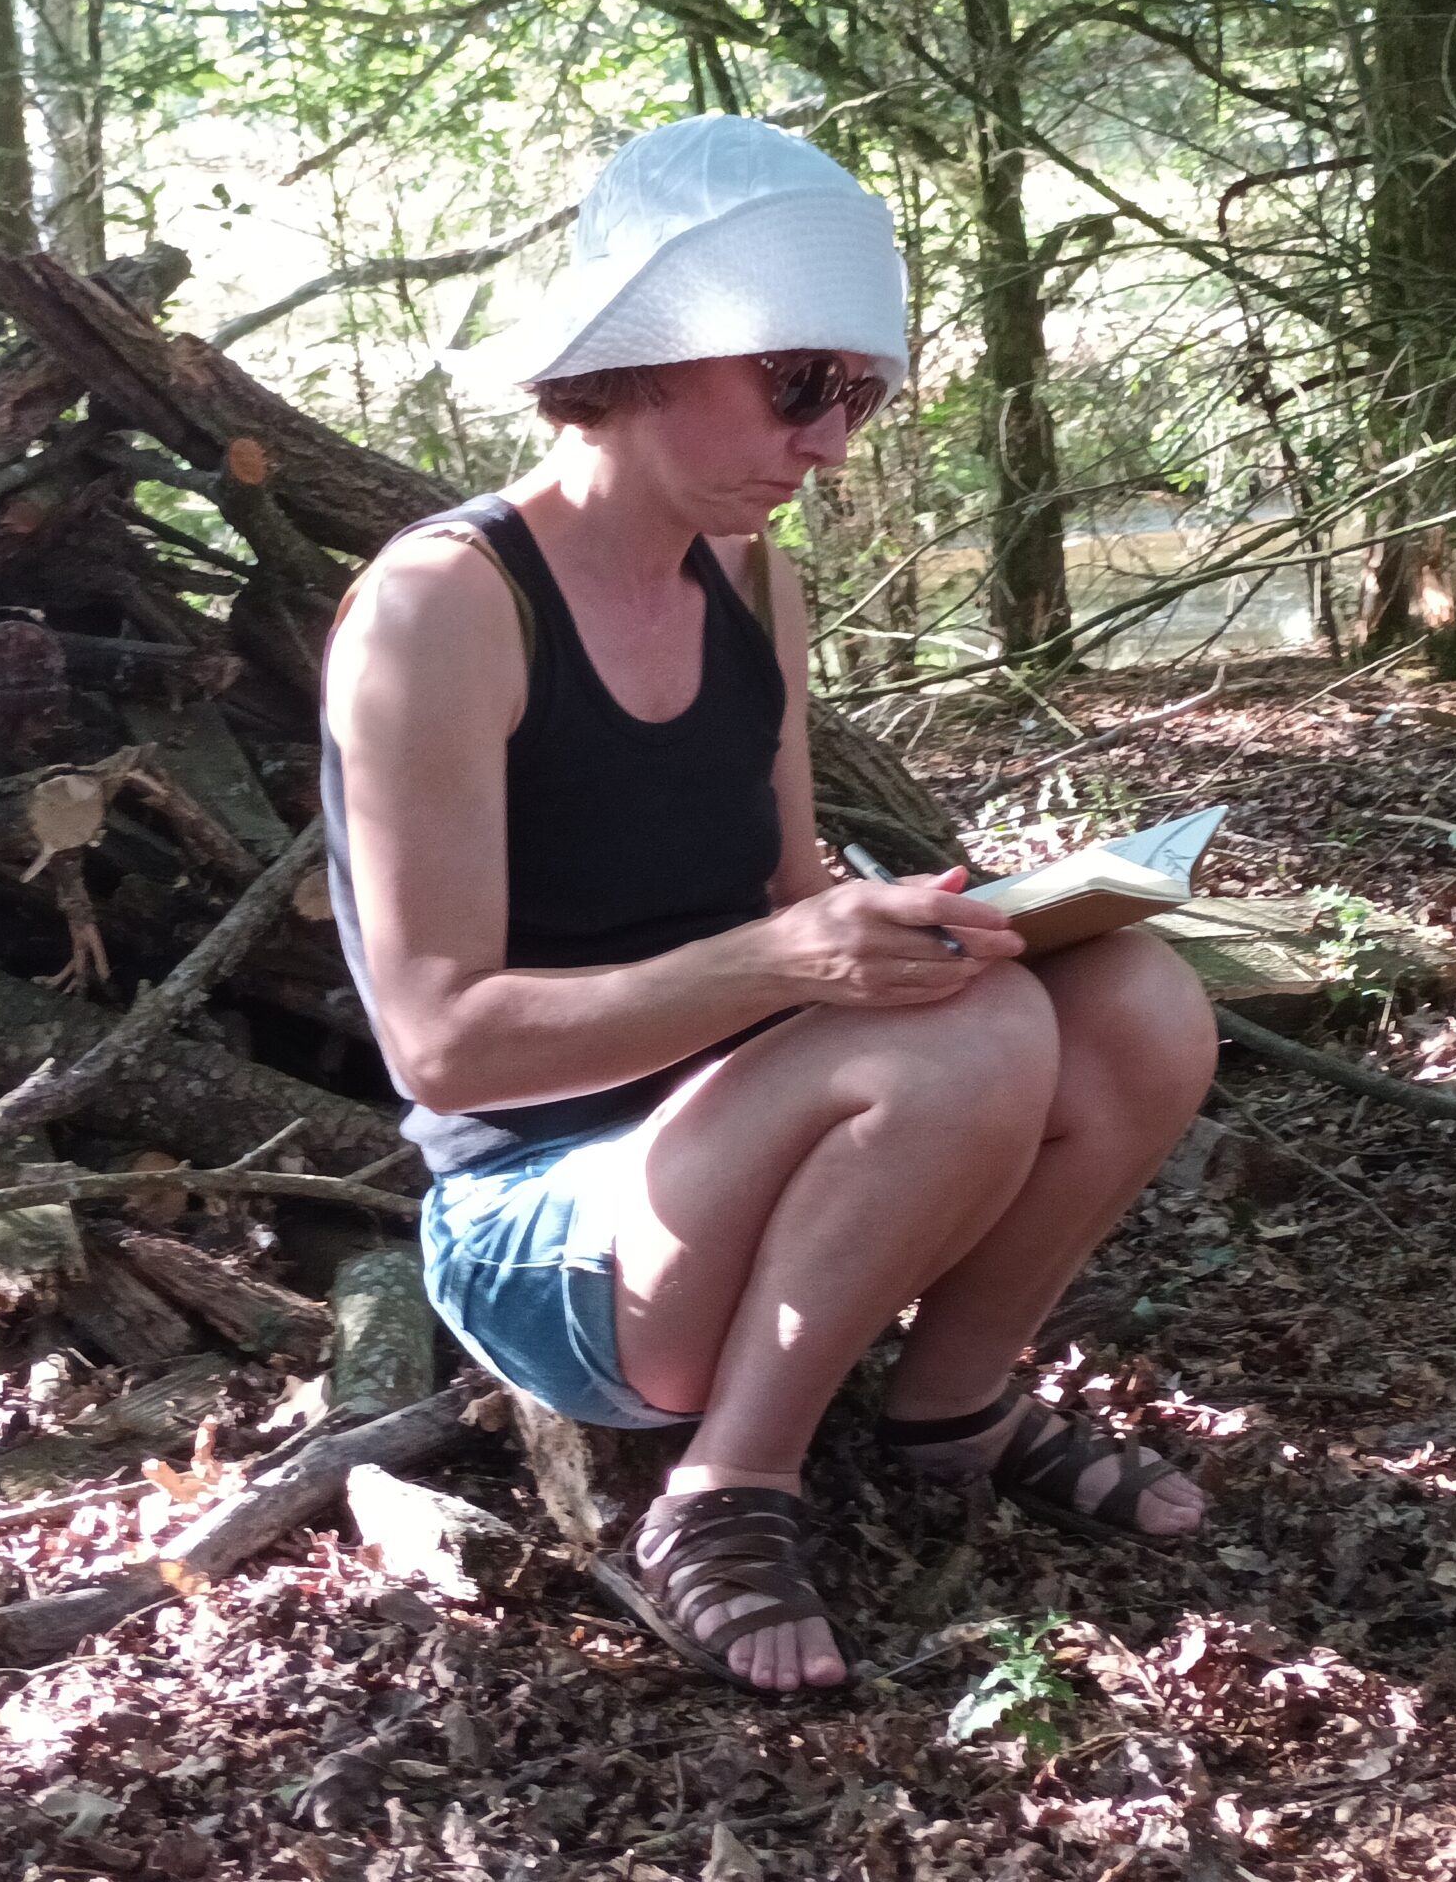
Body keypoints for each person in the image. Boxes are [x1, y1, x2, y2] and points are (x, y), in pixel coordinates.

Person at [319, 116, 1219, 1695]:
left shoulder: (753, 585)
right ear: (649, 355)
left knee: (1137, 996)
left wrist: (924, 924)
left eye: (857, 396)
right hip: (547, 1234)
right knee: (966, 1046)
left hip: (743, 1149)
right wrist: (790, 961)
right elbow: (444, 1046)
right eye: (800, 383)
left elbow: (792, 890)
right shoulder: (441, 607)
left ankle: (953, 1406)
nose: (831, 442)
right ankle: (724, 1491)